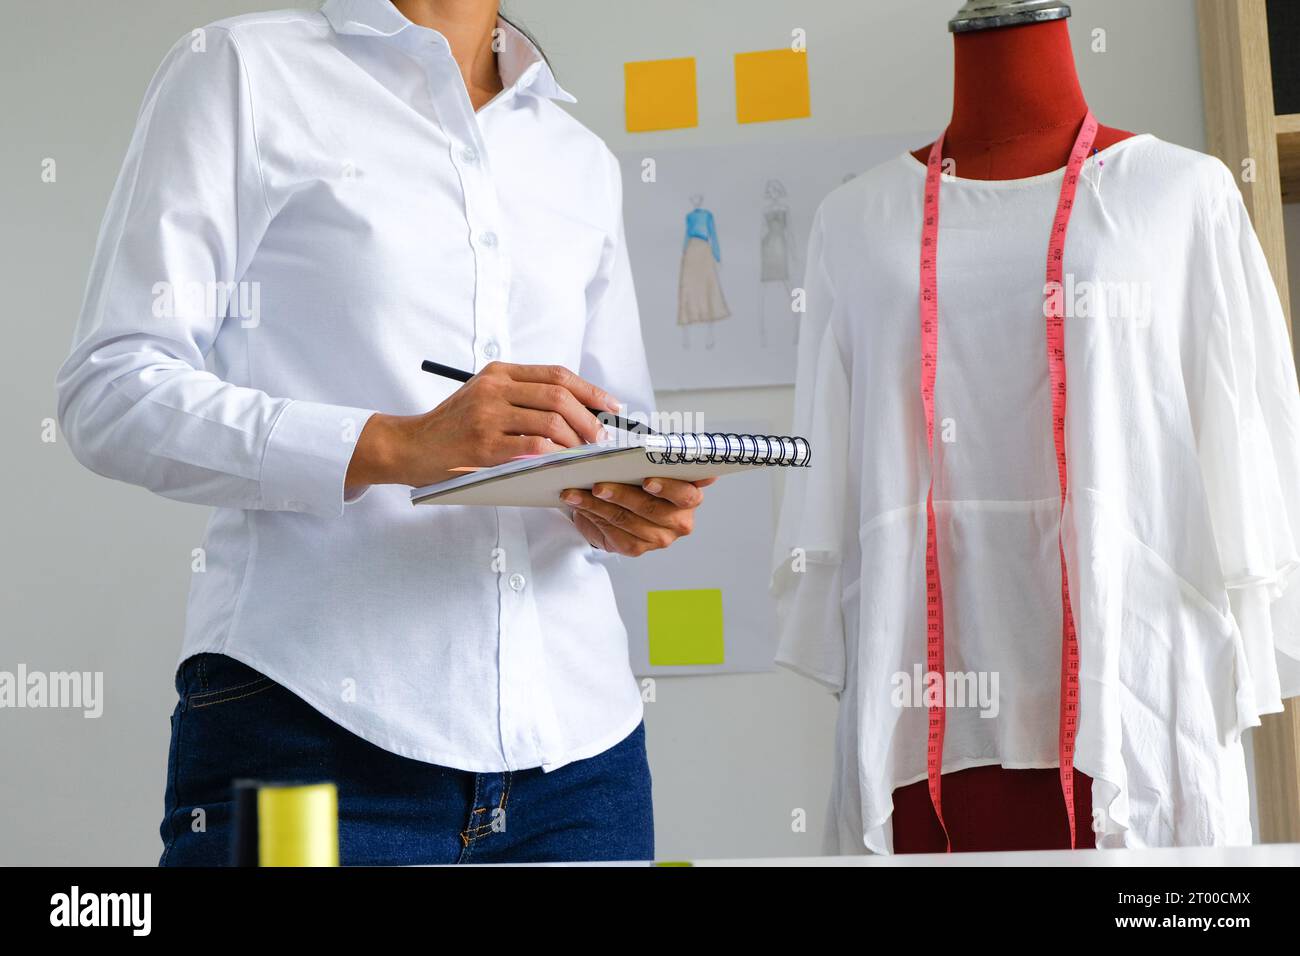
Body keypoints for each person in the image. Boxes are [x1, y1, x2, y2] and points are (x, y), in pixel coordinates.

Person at [55, 0, 709, 865]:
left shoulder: (577, 156)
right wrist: (395, 445)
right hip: (307, 736)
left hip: (582, 764)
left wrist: (627, 502)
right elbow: (111, 389)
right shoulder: (242, 70)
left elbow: (610, 422)